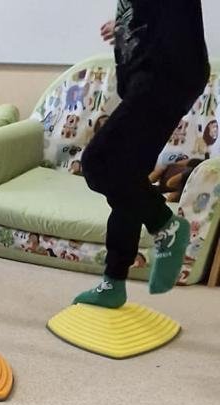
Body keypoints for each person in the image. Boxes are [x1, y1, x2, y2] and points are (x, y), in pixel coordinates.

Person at [74, 1, 210, 309]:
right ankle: (113, 282)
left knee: (98, 162)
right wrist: (125, 26)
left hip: (165, 72)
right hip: (150, 72)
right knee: (126, 177)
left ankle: (166, 225)